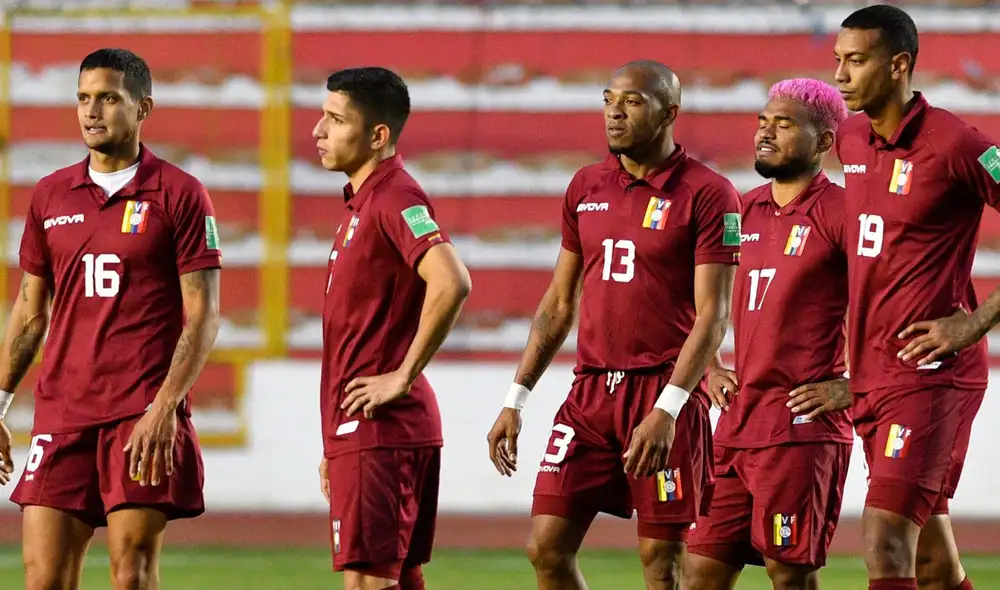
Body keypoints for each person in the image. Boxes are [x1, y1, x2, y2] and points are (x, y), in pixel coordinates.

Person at [486, 60, 741, 590]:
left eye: (632, 102)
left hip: (663, 390)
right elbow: (558, 303)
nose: (615, 113)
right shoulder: (585, 185)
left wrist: (668, 409)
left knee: (662, 565)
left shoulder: (710, 193)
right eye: (608, 100)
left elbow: (713, 316)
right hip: (590, 394)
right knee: (546, 547)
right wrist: (516, 399)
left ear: (669, 113)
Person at [0, 48, 221, 590]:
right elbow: (29, 313)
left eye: (107, 98)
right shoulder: (50, 195)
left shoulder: (181, 194)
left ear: (143, 108)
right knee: (42, 579)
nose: (91, 111)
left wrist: (164, 408)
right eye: (83, 98)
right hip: (63, 412)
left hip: (139, 412)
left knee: (132, 574)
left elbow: (203, 316)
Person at [834, 5, 1000, 590]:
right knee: (932, 565)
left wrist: (975, 322)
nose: (841, 75)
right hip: (873, 376)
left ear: (899, 64)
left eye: (857, 61)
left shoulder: (957, 142)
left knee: (885, 541)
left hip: (932, 376)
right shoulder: (850, 138)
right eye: (838, 60)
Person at [684, 79, 852, 590]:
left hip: (801, 429)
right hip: (736, 422)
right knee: (699, 572)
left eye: (784, 124)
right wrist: (711, 367)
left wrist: (856, 385)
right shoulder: (740, 210)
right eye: (763, 122)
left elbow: (893, 306)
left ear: (824, 141)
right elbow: (700, 296)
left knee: (789, 575)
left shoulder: (845, 212)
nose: (766, 133)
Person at [313, 66, 472, 590]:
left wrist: (401, 376)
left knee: (368, 582)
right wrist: (334, 443)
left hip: (381, 429)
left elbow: (451, 280)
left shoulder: (394, 198)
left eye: (336, 119)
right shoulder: (365, 202)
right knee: (399, 579)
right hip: (369, 431)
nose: (319, 130)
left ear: (378, 135)